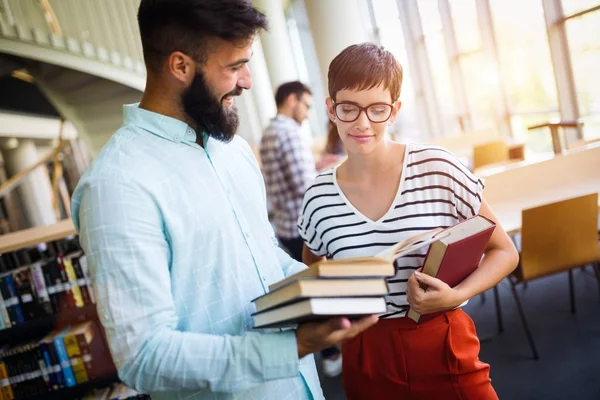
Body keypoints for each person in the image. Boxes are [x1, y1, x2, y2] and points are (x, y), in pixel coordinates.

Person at [70, 2, 378, 399]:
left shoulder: (233, 150)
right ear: (180, 66)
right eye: (234, 67)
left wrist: (338, 282)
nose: (248, 81)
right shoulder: (116, 185)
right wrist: (293, 347)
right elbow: (144, 357)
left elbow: (264, 261)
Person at [299, 43, 519, 399]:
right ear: (331, 109)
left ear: (395, 110)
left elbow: (505, 251)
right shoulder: (318, 197)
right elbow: (313, 273)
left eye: (377, 109)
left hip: (441, 334)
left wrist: (456, 295)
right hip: (366, 349)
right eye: (349, 108)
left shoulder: (437, 167)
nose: (362, 122)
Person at [260, 81, 316, 262]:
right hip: (303, 228)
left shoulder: (269, 131)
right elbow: (305, 186)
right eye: (306, 106)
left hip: (285, 227)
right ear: (292, 99)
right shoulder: (289, 132)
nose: (307, 114)